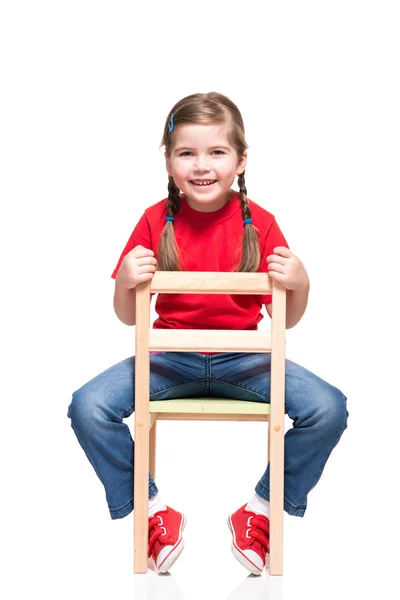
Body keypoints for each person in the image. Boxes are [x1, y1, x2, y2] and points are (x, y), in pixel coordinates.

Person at [68, 91, 348, 575]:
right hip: (168, 358)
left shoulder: (260, 223)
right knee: (87, 406)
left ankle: (259, 511)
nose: (202, 165)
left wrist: (301, 282)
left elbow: (290, 316)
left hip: (246, 360)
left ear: (240, 161)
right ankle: (153, 510)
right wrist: (127, 281)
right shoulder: (156, 220)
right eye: (186, 153)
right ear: (169, 162)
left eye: (216, 152)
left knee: (328, 407)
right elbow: (128, 316)